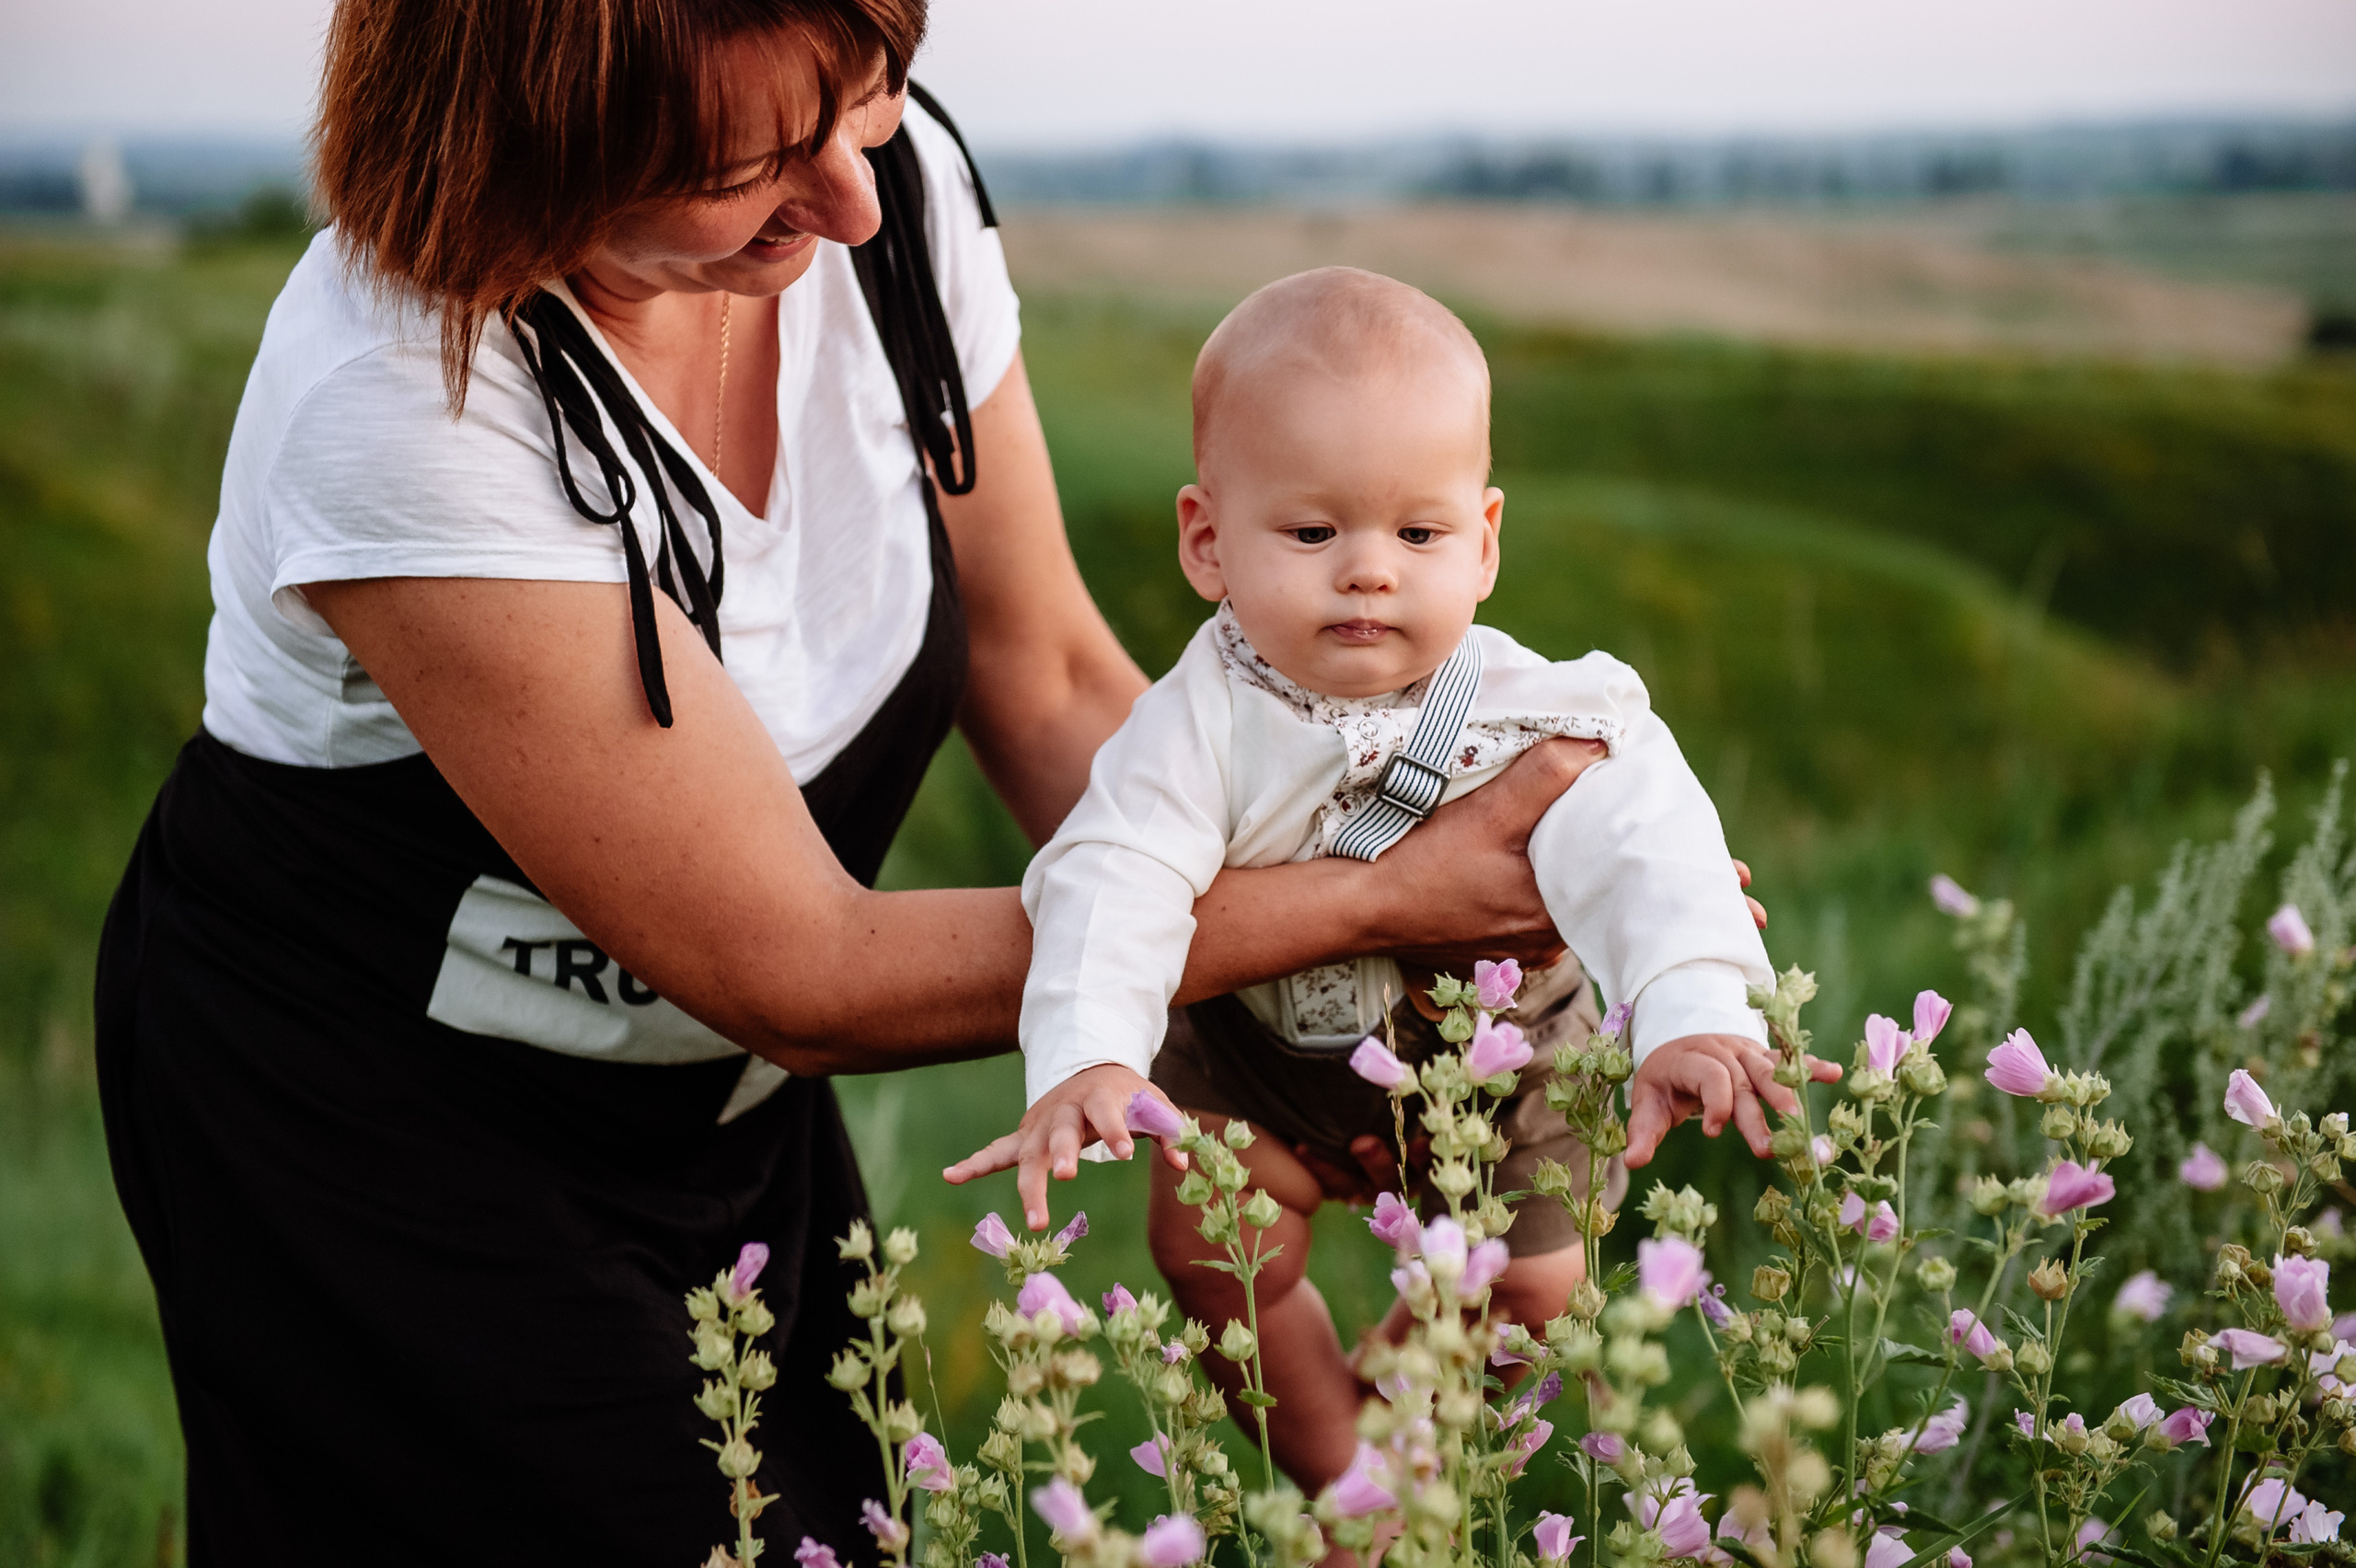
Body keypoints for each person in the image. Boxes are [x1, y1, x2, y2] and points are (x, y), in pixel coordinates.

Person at [92, 3, 1620, 1561]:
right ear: (542, 142)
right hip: (389, 1146)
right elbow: (800, 968)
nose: (856, 198)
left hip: (731, 1117)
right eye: (748, 160)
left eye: (870, 94)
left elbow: (1053, 688)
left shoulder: (884, 209)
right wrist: (1378, 895)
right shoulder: (406, 397)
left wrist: (1374, 1000)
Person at [1007, 268, 1838, 1501]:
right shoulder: (1195, 726)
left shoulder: (1541, 713)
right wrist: (1086, 1055)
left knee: (1539, 1285)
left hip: (1492, 1070)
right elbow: (1110, 872)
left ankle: (1401, 1444)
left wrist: (1693, 1008)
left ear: (1486, 542)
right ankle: (1342, 1472)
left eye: (1418, 533)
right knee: (1209, 1248)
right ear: (1206, 540)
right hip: (1258, 1064)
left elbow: (1652, 847)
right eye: (1311, 533)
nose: (1369, 572)